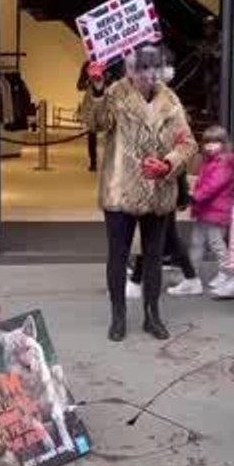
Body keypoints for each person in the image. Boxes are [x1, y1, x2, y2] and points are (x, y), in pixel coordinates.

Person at [88, 42, 198, 341]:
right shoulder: (116, 94)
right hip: (121, 189)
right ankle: (118, 316)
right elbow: (95, 123)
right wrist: (97, 89)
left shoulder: (170, 100)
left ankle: (152, 314)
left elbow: (188, 144)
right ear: (131, 71)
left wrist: (167, 165)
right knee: (118, 254)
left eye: (154, 69)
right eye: (142, 69)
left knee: (153, 255)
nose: (148, 76)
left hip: (158, 190)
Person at [186, 125, 234, 298]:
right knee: (197, 242)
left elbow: (213, 185)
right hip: (206, 210)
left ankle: (226, 273)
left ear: (224, 143)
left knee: (216, 244)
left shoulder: (224, 163)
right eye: (207, 142)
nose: (210, 146)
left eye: (215, 142)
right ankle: (191, 274)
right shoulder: (211, 161)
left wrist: (194, 196)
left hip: (216, 211)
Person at [127, 171, 198, 298]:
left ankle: (136, 281)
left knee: (150, 233)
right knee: (169, 235)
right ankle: (191, 278)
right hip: (162, 186)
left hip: (159, 187)